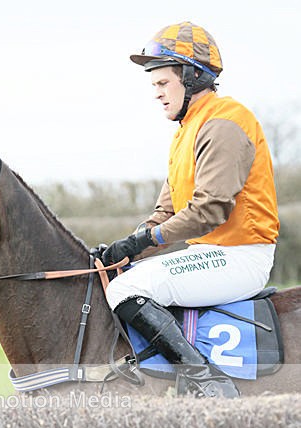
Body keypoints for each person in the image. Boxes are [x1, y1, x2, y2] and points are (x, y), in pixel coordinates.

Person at [100, 21, 279, 398]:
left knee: (128, 288)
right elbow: (166, 213)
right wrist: (126, 247)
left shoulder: (226, 122)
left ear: (193, 77)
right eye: (154, 86)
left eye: (163, 83)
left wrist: (141, 242)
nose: (158, 94)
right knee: (124, 274)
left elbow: (208, 210)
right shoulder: (186, 131)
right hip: (210, 255)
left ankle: (208, 384)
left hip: (240, 256)